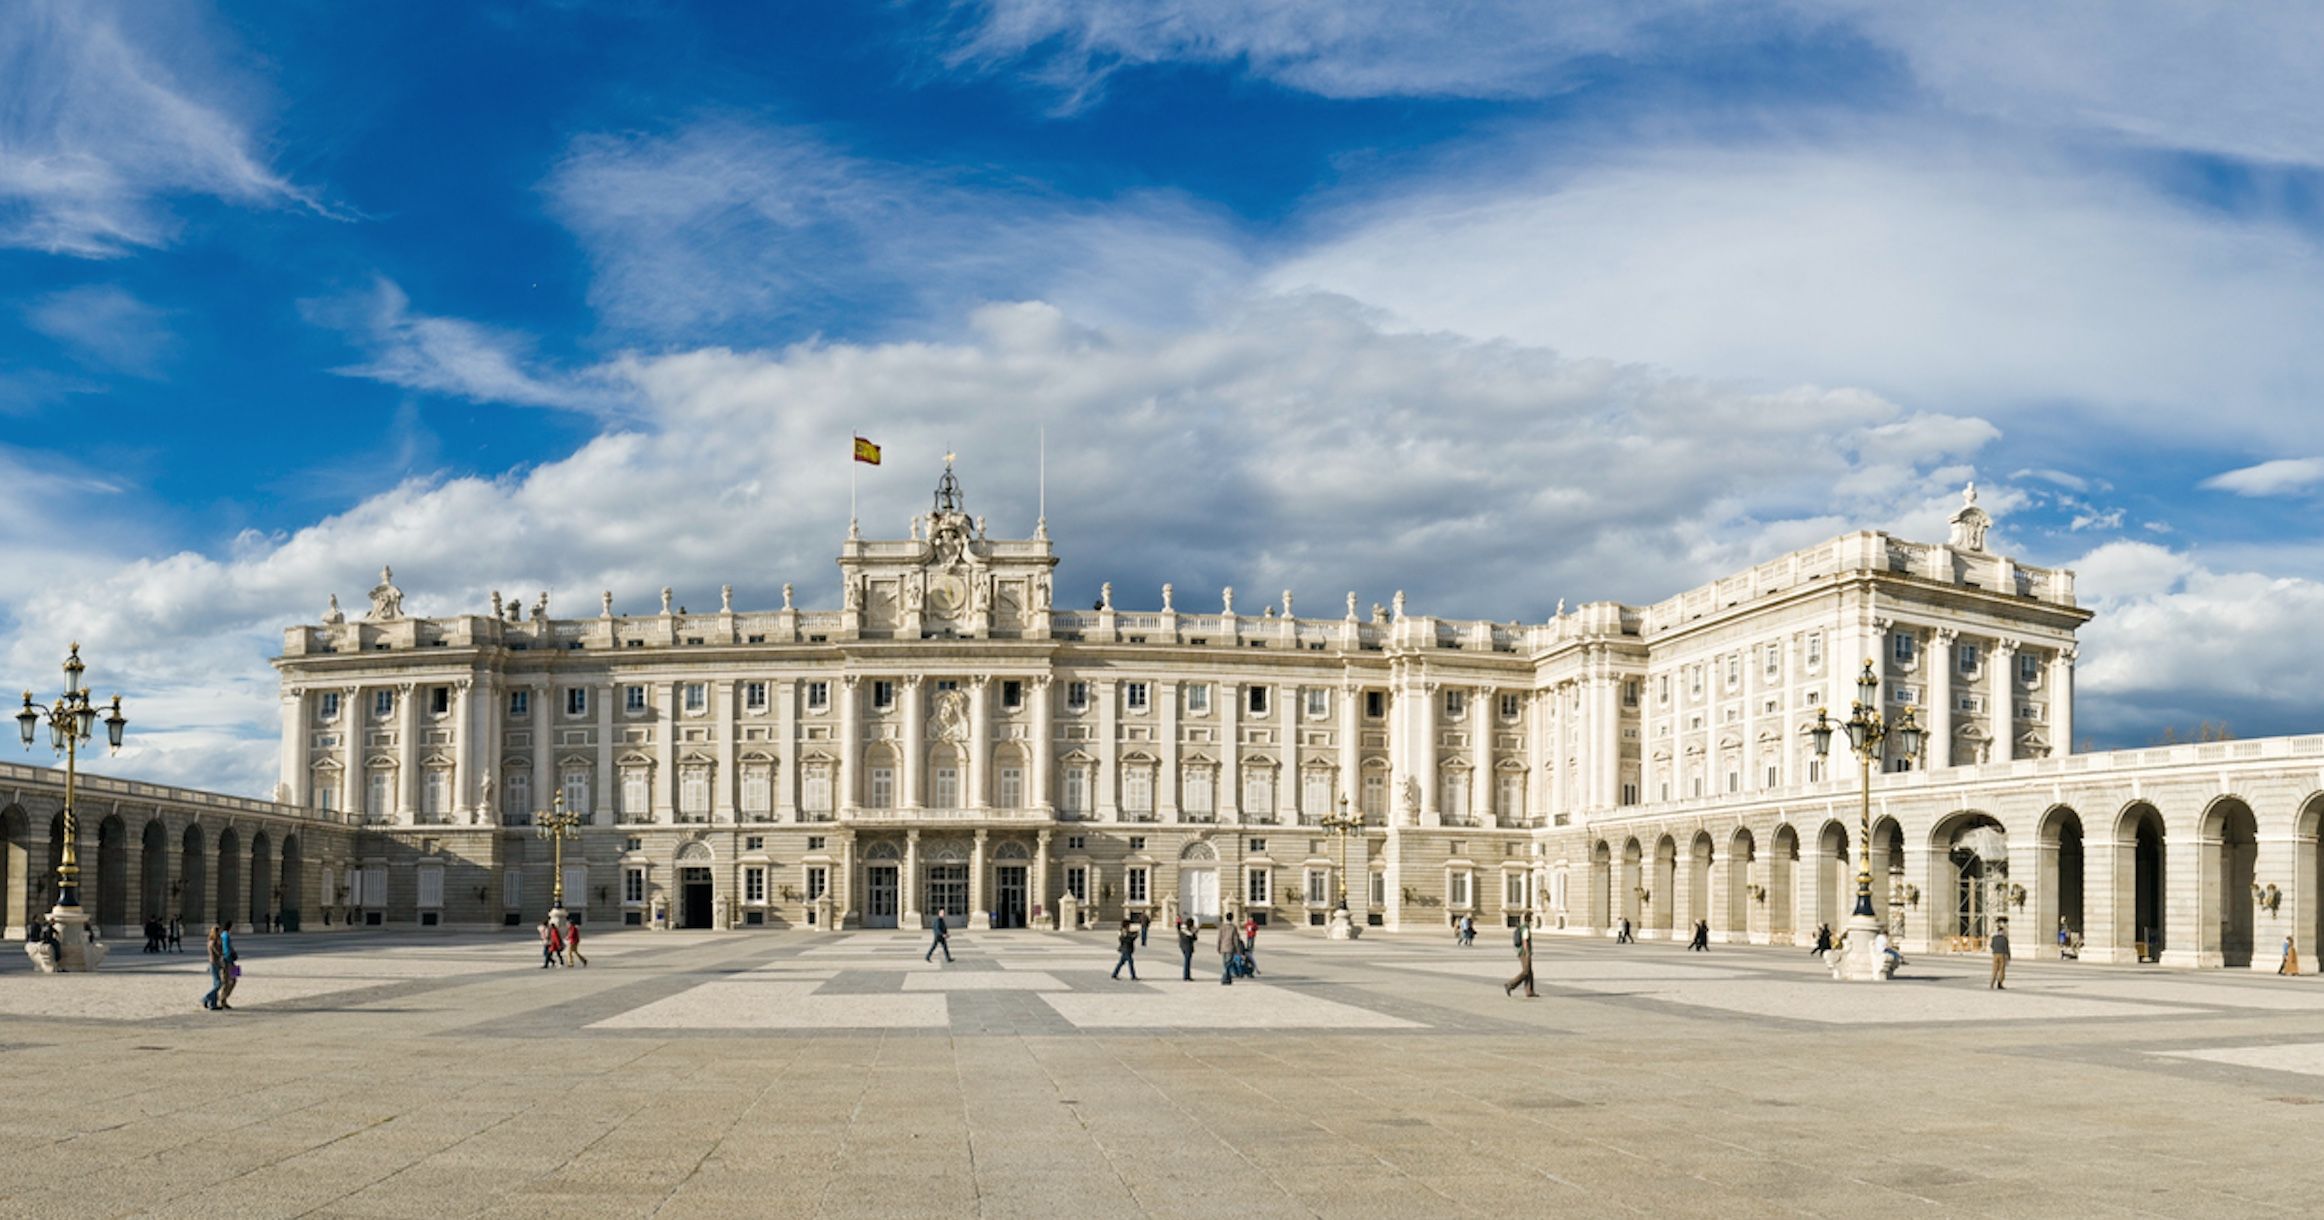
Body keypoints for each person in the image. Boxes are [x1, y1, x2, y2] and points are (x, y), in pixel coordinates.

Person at [1504, 915, 1537, 998]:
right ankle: (1510, 984)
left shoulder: (1522, 927)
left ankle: (1529, 991)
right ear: (1530, 920)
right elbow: (1525, 941)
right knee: (1526, 971)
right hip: (1524, 952)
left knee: (1529, 972)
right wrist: (1527, 952)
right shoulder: (1525, 929)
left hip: (1521, 952)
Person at [1111, 916, 1140, 980]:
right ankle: (1133, 976)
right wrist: (1135, 936)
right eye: (1129, 925)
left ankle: (1114, 974)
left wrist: (1134, 933)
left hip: (1126, 949)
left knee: (1121, 963)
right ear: (1126, 925)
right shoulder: (1123, 931)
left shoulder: (1124, 930)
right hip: (1126, 949)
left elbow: (1129, 934)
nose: (1129, 926)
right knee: (1130, 962)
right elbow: (1127, 939)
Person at [1217, 916, 1242, 986]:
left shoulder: (1222, 927)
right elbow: (1236, 939)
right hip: (1230, 947)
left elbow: (1219, 938)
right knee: (1228, 964)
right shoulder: (1233, 927)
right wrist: (1238, 949)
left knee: (1225, 963)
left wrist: (1218, 947)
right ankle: (1225, 978)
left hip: (1223, 947)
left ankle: (1226, 978)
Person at [1990, 921, 2012, 989]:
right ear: (2002, 932)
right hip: (2002, 955)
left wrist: (1995, 950)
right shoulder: (2004, 939)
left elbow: (1991, 945)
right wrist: (2008, 957)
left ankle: (1992, 983)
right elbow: (2007, 948)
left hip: (1995, 954)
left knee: (1994, 969)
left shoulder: (1994, 938)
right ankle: (2000, 984)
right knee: (2002, 970)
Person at [1176, 916, 1198, 982]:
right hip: (1188, 947)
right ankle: (1186, 976)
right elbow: (1194, 938)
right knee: (1187, 962)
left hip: (1183, 946)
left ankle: (1187, 976)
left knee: (1187, 961)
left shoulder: (1182, 929)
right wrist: (1194, 933)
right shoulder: (1188, 931)